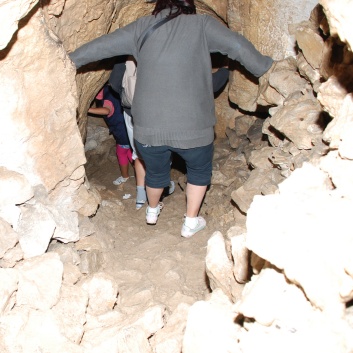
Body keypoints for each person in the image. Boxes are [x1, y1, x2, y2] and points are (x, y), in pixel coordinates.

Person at [69, 0, 274, 237]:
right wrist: (263, 66)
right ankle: (190, 221)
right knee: (198, 170)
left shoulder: (141, 27)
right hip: (193, 126)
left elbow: (100, 47)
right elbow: (236, 45)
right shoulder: (202, 25)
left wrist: (69, 59)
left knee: (155, 172)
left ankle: (152, 210)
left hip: (148, 128)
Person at [88, 84, 133, 186]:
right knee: (130, 151)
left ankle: (125, 176)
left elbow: (106, 110)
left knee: (121, 152)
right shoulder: (111, 89)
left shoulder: (108, 97)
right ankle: (143, 173)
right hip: (128, 128)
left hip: (122, 132)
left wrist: (88, 110)